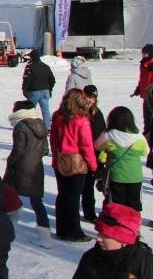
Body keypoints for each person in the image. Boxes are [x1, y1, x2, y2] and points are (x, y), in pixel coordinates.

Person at [68, 203, 153, 279]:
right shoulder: (90, 258)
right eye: (99, 233)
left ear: (124, 239)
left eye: (105, 236)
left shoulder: (145, 264)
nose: (98, 239)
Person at [51, 88, 99, 242]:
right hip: (76, 162)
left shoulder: (58, 118)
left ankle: (62, 229)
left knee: (63, 195)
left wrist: (57, 157)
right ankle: (74, 231)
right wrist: (93, 166)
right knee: (73, 198)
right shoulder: (81, 120)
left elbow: (53, 141)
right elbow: (86, 145)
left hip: (61, 160)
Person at [4, 100, 53, 248]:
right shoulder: (42, 124)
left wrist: (10, 161)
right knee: (37, 202)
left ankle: (5, 231)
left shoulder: (21, 126)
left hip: (20, 168)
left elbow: (18, 150)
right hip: (36, 167)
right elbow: (45, 150)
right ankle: (45, 239)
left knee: (8, 197)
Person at [95, 106, 149, 213]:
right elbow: (145, 151)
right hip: (135, 176)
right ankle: (132, 227)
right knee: (134, 204)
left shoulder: (108, 135)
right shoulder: (138, 137)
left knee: (117, 205)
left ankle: (118, 227)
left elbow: (97, 146)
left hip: (116, 176)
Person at [82, 85, 108, 223]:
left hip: (94, 153)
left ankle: (90, 211)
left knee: (89, 184)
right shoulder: (78, 112)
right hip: (82, 153)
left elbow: (101, 133)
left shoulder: (97, 113)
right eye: (89, 97)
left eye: (93, 98)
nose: (91, 100)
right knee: (83, 185)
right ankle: (88, 211)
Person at [22, 49, 56, 127]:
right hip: (45, 91)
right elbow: (52, 80)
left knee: (30, 110)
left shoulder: (29, 67)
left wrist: (24, 90)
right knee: (46, 110)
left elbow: (27, 79)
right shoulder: (46, 67)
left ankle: (31, 126)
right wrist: (50, 89)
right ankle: (48, 126)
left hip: (34, 91)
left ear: (31, 57)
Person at [133, 44, 153, 137]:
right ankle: (147, 132)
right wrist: (138, 88)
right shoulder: (143, 64)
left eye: (145, 54)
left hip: (151, 95)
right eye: (143, 53)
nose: (143, 55)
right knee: (146, 116)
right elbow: (142, 79)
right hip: (146, 95)